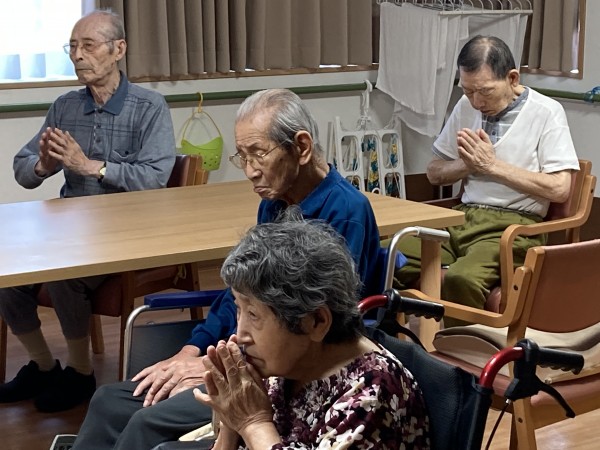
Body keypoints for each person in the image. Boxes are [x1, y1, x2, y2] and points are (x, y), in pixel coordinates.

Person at [71, 88, 382, 449]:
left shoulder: (345, 212)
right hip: (245, 353)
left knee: (146, 422)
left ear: (301, 147)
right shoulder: (274, 204)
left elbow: (308, 329)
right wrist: (192, 350)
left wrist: (221, 365)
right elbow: (241, 296)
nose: (249, 171)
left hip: (279, 371)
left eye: (258, 154)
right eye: (242, 156)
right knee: (108, 401)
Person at [0, 9, 176, 413]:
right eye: (73, 47)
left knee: (64, 274)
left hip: (128, 230)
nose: (78, 55)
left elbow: (155, 179)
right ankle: (43, 366)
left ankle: (80, 373)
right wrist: (43, 164)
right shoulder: (65, 107)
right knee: (8, 271)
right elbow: (23, 168)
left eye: (89, 46)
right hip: (71, 227)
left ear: (119, 49)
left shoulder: (149, 107)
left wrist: (92, 167)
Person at [195, 216, 430, 449]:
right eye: (239, 309)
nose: (240, 334)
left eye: (254, 314)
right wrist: (231, 419)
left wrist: (253, 423)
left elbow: (255, 426)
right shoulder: (286, 364)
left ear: (316, 321)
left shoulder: (371, 396)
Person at [394, 35, 579, 319]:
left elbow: (560, 188)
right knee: (385, 254)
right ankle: (387, 340)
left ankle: (458, 344)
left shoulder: (546, 112)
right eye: (468, 91)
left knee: (461, 279)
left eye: (485, 91)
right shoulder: (465, 106)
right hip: (461, 218)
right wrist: (467, 165)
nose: (477, 102)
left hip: (513, 228)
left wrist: (491, 166)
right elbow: (434, 172)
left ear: (512, 78)